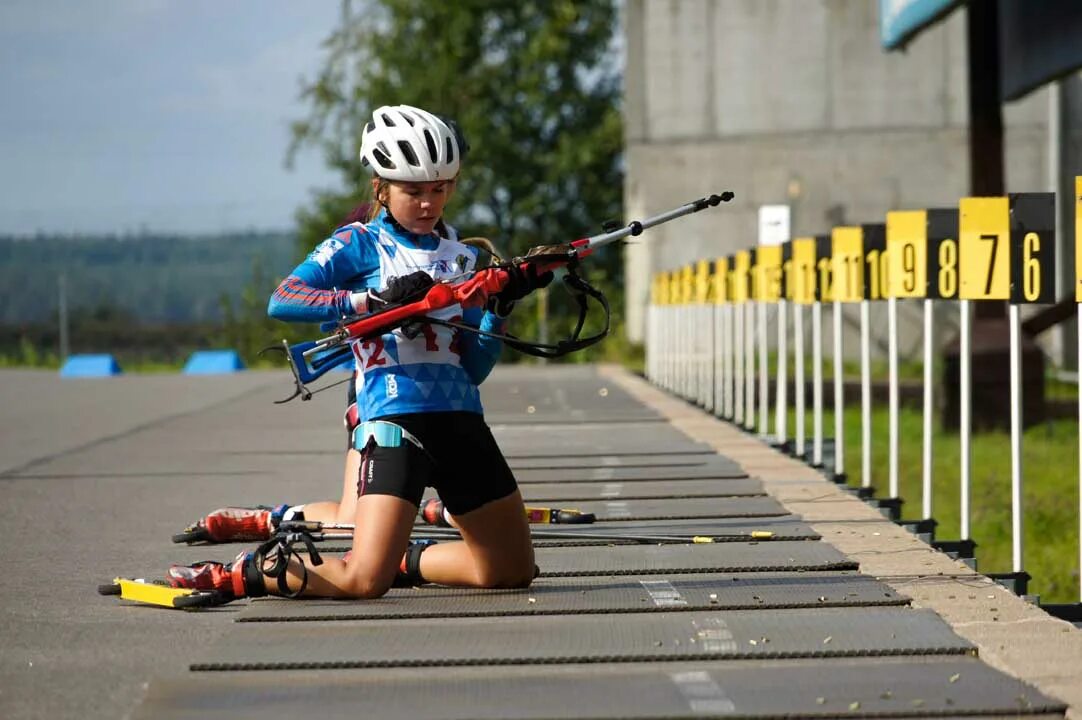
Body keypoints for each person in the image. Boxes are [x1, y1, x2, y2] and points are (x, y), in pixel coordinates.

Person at [167, 104, 551, 599]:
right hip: (395, 423)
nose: (429, 203)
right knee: (362, 581)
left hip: (461, 421)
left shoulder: (464, 258)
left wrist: (498, 308)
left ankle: (405, 559)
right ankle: (243, 572)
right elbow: (283, 298)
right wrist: (367, 300)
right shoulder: (360, 244)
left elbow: (472, 369)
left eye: (441, 188)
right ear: (381, 188)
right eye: (413, 191)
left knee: (508, 569)